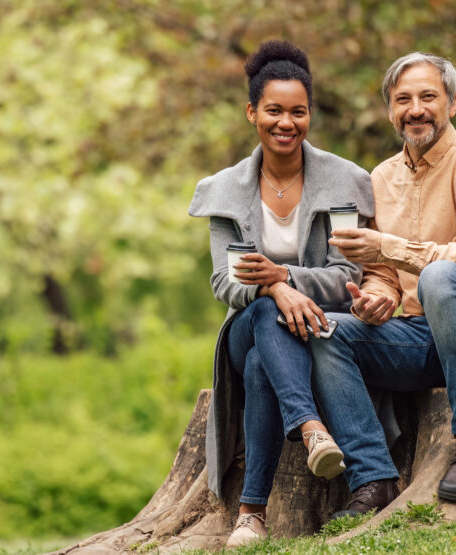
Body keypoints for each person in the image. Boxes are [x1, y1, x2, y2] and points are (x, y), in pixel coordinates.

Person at [316, 52, 456, 517]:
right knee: (326, 332)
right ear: (390, 111)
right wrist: (376, 299)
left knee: (442, 275)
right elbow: (382, 274)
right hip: (423, 338)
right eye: (403, 99)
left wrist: (386, 246)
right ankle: (374, 479)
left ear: (451, 103)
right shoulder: (379, 177)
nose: (415, 109)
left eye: (427, 97)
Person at [187, 39, 375, 546]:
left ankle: (252, 512)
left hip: (321, 327)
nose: (285, 123)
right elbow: (226, 282)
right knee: (266, 326)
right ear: (252, 112)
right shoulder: (225, 191)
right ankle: (310, 426)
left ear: (310, 114)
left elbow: (346, 276)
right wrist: (274, 292)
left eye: (298, 112)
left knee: (260, 368)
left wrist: (283, 279)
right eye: (273, 110)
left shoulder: (343, 183)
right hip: (247, 327)